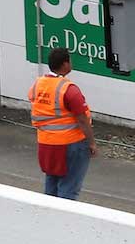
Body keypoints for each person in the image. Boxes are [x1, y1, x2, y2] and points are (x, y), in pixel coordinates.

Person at [29, 47, 95, 200]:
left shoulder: (38, 84)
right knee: (69, 189)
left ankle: (50, 219)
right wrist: (91, 142)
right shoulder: (69, 90)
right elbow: (82, 119)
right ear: (65, 65)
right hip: (70, 145)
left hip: (46, 144)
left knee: (51, 186)